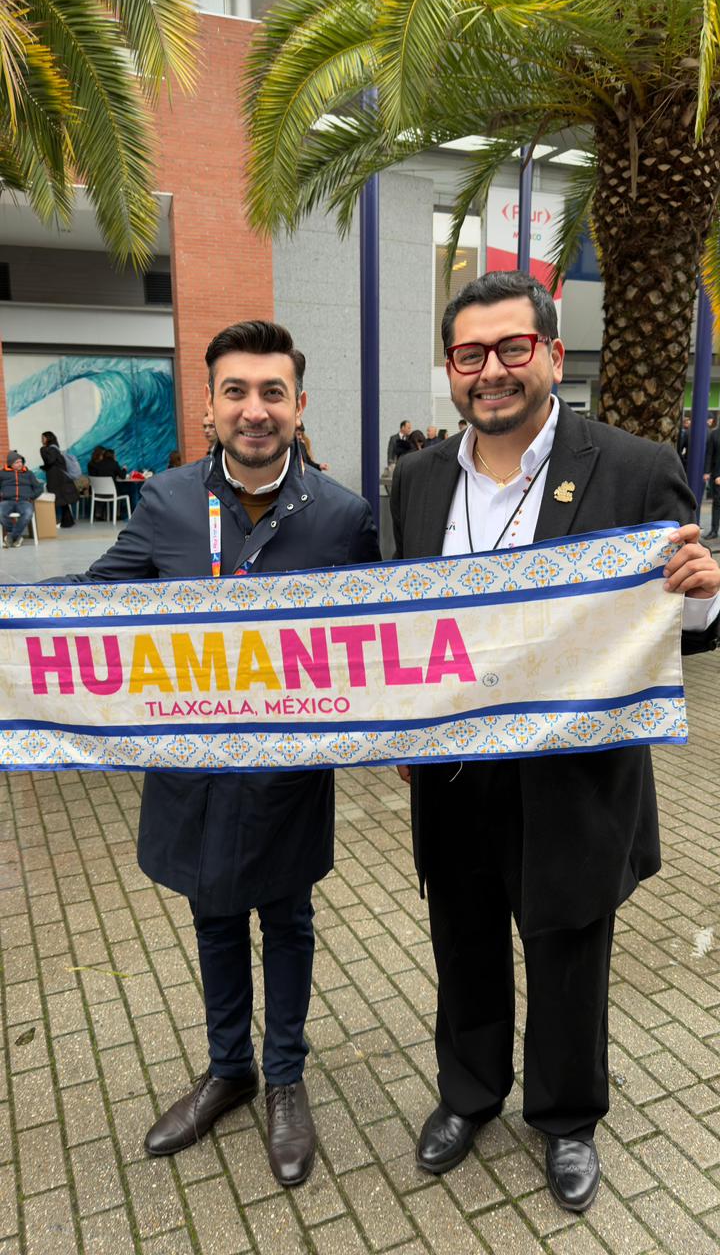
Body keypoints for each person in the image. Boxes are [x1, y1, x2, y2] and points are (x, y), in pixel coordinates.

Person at [390, 271, 720, 1215]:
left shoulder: (631, 465)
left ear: (550, 352)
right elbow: (401, 621)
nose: (491, 371)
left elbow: (685, 626)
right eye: (469, 354)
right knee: (463, 945)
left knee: (569, 951)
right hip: (454, 774)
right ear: (450, 368)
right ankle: (469, 1094)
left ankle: (568, 1119)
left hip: (575, 778)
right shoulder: (416, 480)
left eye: (511, 348)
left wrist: (704, 592)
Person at [58, 320, 380, 1185]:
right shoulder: (166, 501)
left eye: (273, 392)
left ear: (299, 406)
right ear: (208, 405)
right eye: (236, 391)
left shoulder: (344, 516)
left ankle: (285, 1079)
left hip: (287, 780)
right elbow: (88, 606)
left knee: (288, 920)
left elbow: (396, 635)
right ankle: (228, 1070)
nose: (254, 410)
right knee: (212, 918)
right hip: (193, 774)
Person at [0, 451, 43, 547]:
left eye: (21, 461)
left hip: (24, 501)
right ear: (11, 464)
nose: (20, 464)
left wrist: (31, 496)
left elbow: (39, 488)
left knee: (28, 513)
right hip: (7, 501)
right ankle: (17, 536)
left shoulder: (28, 473)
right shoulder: (2, 473)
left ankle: (11, 536)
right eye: (17, 462)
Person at [39, 431, 79, 528]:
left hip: (57, 478)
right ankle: (67, 521)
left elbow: (50, 461)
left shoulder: (50, 449)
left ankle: (64, 522)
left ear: (48, 438)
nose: (41, 440)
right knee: (62, 500)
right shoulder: (55, 448)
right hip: (60, 477)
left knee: (59, 499)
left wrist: (42, 450)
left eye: (43, 438)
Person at [703, 420, 720, 539]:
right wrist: (707, 472)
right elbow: (709, 454)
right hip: (716, 475)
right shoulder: (714, 434)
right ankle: (714, 530)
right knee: (717, 503)